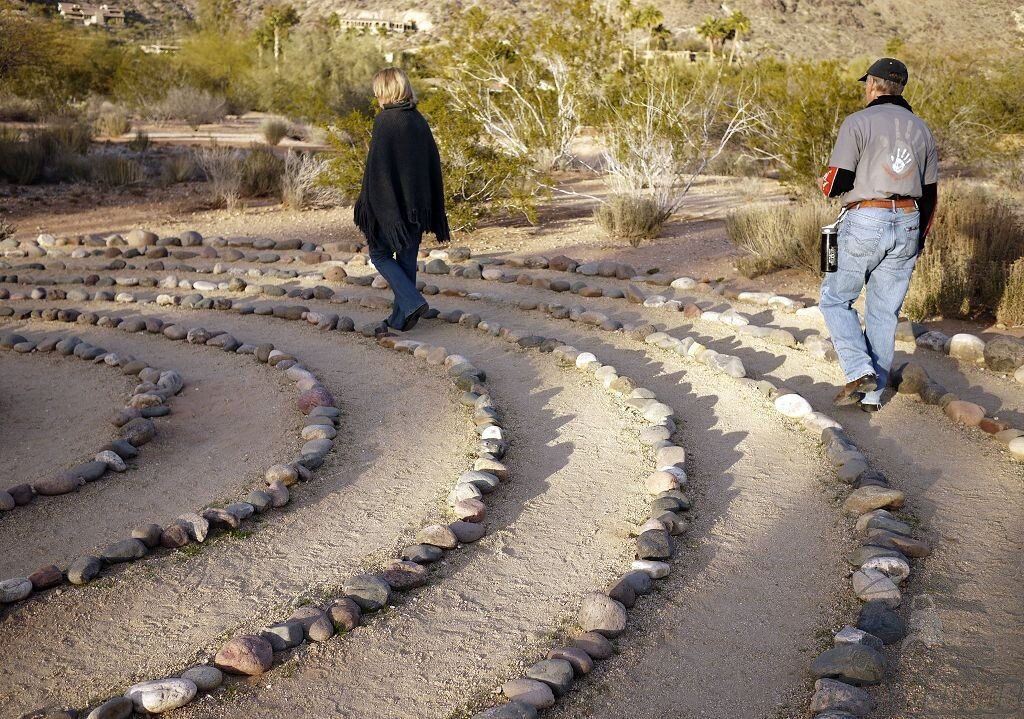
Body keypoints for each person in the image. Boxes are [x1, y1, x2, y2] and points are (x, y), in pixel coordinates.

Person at [818, 57, 938, 413]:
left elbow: (836, 181)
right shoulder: (923, 129)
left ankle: (859, 370)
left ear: (872, 85)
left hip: (866, 219)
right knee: (884, 312)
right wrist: (919, 238)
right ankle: (873, 396)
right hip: (909, 220)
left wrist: (824, 183)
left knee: (836, 300)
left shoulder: (858, 122)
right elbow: (930, 193)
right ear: (900, 87)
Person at [354, 67, 450, 333]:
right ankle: (401, 318)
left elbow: (378, 171)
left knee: (380, 253)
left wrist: (375, 205)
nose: (376, 98)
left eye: (377, 93)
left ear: (386, 92)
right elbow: (430, 165)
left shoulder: (385, 122)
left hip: (392, 208)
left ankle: (412, 300)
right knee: (406, 259)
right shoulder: (418, 120)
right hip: (417, 207)